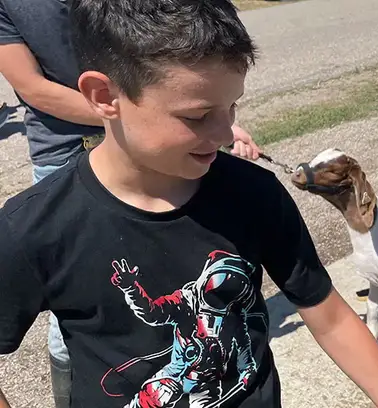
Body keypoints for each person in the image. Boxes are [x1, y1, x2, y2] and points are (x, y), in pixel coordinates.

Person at [0, 1, 378, 407]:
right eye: (198, 117)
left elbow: (330, 316)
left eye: (232, 107)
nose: (224, 134)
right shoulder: (33, 229)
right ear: (104, 95)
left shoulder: (256, 194)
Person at [0, 1, 263, 406]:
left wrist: (202, 116)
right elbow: (32, 88)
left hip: (151, 118)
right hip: (76, 145)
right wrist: (141, 114)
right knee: (73, 311)